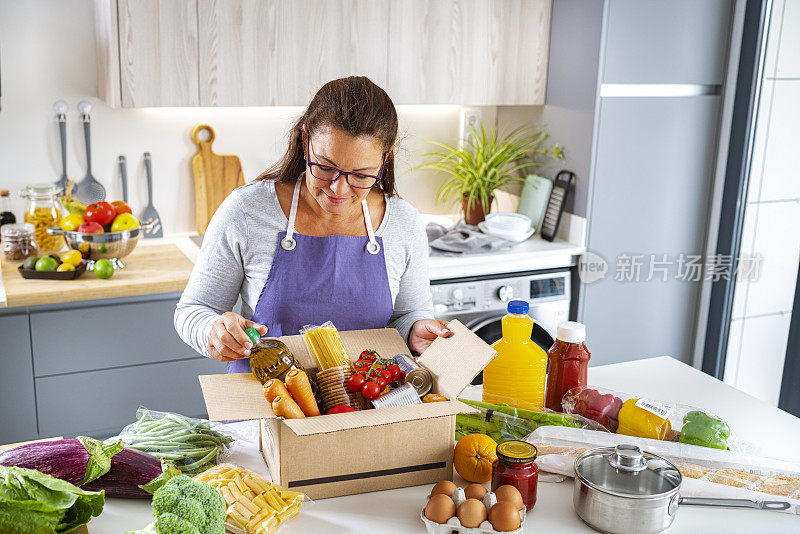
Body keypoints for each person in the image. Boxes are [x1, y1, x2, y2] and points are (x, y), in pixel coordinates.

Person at [175, 76, 450, 371]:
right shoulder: (246, 210)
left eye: (360, 175)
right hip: (266, 403)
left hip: (366, 405)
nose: (338, 189)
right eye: (325, 167)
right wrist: (213, 331)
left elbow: (408, 314)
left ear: (385, 159)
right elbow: (193, 311)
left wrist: (414, 330)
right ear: (305, 141)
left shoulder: (403, 223)